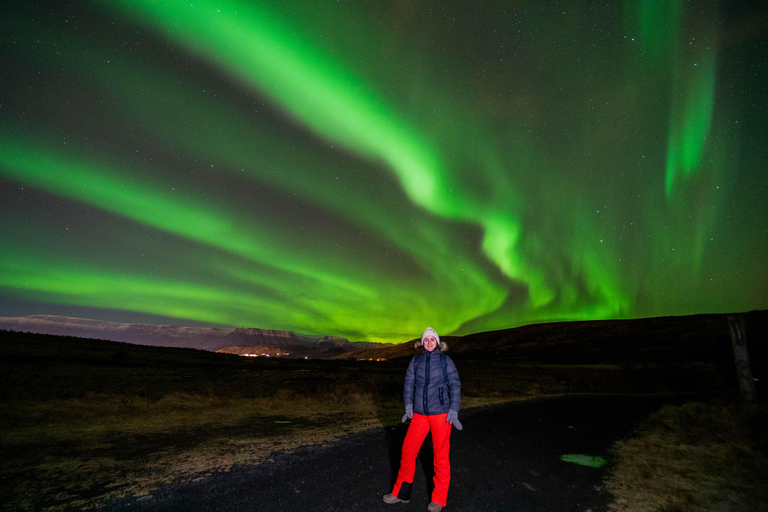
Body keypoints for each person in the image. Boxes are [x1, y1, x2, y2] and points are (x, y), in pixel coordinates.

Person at [383, 327, 462, 512]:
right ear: (422, 342)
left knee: (440, 457)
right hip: (419, 415)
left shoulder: (445, 361)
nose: (428, 342)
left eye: (432, 340)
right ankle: (402, 493)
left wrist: (454, 409)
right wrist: (408, 406)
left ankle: (439, 499)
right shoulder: (416, 360)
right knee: (408, 451)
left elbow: (455, 384)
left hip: (441, 414)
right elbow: (409, 383)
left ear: (437, 342)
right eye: (425, 340)